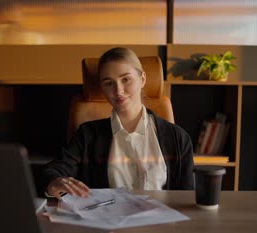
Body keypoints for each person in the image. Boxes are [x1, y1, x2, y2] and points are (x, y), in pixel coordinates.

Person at [43, 47, 194, 199]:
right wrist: (54, 182)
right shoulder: (87, 135)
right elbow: (56, 170)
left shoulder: (178, 138)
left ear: (142, 79)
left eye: (126, 79)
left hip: (162, 221)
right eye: (108, 83)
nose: (118, 91)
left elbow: (187, 198)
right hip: (105, 220)